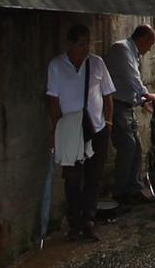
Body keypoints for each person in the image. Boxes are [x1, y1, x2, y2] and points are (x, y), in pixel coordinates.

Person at [45, 23, 114, 244]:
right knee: (72, 178)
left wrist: (109, 122)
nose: (85, 49)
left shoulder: (96, 63)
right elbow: (53, 100)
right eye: (81, 44)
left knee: (93, 177)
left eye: (88, 44)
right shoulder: (57, 66)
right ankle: (75, 222)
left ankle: (88, 221)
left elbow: (107, 95)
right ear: (71, 43)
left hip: (96, 127)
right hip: (70, 128)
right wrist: (56, 129)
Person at [102, 24, 155, 208]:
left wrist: (142, 101)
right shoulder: (122, 49)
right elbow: (131, 78)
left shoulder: (132, 53)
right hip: (116, 105)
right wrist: (147, 94)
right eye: (150, 44)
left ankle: (134, 188)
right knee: (127, 146)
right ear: (143, 39)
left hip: (127, 105)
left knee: (137, 147)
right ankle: (121, 191)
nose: (149, 49)